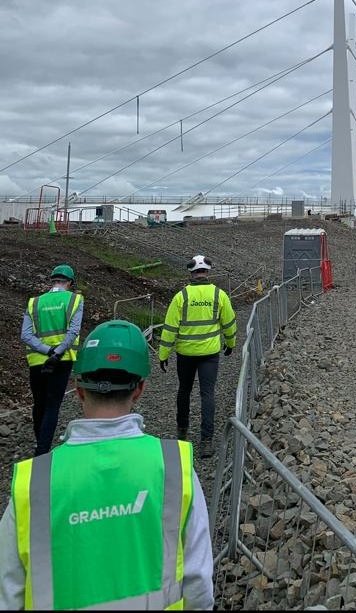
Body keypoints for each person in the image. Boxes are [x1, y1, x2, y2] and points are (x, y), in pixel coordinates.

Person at [0, 319, 214, 610]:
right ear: (139, 389)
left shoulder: (32, 482)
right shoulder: (174, 467)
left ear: (78, 390)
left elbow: (7, 592)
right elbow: (199, 586)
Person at [159, 255, 237, 458]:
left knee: (184, 391)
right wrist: (230, 343)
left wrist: (163, 354)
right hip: (210, 354)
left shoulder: (181, 297)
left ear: (191, 273)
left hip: (185, 354)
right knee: (207, 394)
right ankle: (206, 442)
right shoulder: (219, 295)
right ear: (207, 272)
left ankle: (182, 433)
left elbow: (169, 329)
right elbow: (229, 322)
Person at [20, 263, 84, 456]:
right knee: (52, 405)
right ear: (70, 282)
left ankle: (40, 442)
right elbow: (73, 331)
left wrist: (46, 351)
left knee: (38, 403)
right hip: (62, 360)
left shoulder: (34, 302)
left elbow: (26, 335)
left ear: (52, 280)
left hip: (37, 361)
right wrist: (56, 353)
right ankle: (43, 451)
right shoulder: (75, 300)